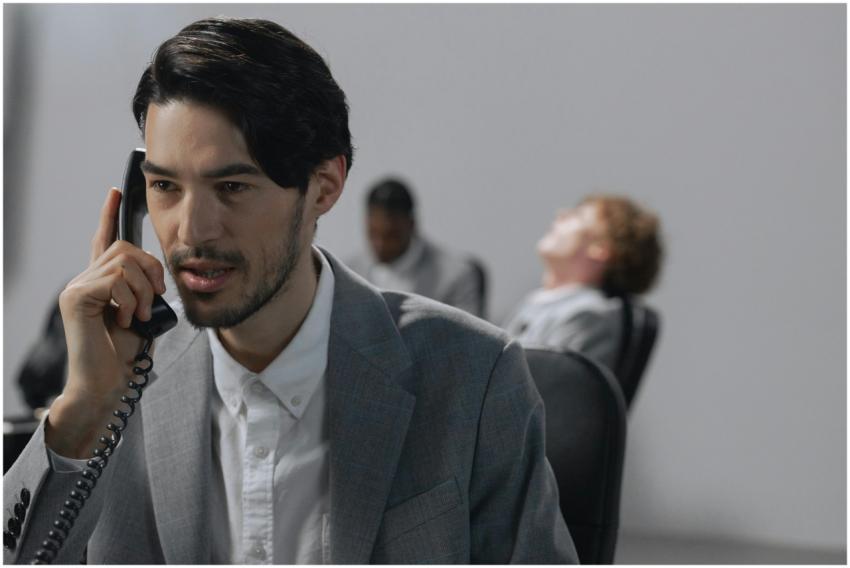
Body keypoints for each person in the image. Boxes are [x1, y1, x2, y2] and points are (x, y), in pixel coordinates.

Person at [3, 17, 576, 564]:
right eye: (164, 186)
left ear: (323, 186)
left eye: (231, 186)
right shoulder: (122, 382)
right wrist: (82, 409)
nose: (191, 230)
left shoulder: (474, 376)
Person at [504, 194, 663, 372]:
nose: (561, 215)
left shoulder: (589, 315)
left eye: (577, 216)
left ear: (601, 248)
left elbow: (548, 388)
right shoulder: (537, 301)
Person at [347, 178, 487, 318]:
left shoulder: (456, 275)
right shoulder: (349, 272)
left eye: (391, 236)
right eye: (373, 234)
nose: (381, 245)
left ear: (411, 225)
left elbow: (471, 337)